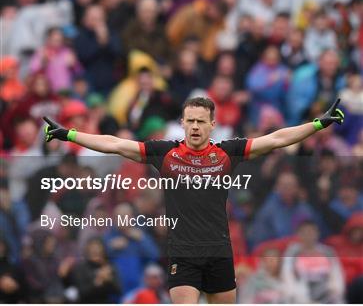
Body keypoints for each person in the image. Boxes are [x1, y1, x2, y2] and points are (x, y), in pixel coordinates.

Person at [43, 96, 344, 304]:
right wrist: (69, 134)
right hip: (183, 253)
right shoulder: (165, 153)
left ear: (213, 124)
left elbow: (277, 139)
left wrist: (317, 125)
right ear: (183, 124)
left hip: (219, 252)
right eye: (190, 121)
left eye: (201, 121)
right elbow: (114, 144)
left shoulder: (228, 151)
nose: (196, 126)